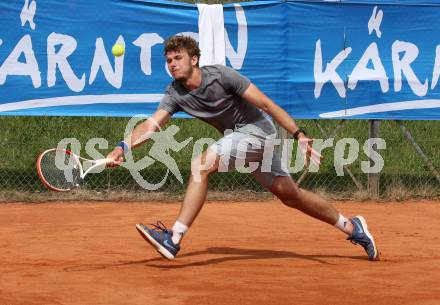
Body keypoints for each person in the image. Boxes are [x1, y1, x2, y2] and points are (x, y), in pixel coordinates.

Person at [107, 35, 379, 261]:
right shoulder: (175, 93)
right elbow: (151, 125)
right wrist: (122, 147)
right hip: (240, 139)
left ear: (194, 59)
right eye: (168, 60)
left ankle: (174, 237)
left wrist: (299, 134)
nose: (172, 64)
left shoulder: (222, 76)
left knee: (201, 165)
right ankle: (353, 227)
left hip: (259, 131)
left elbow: (267, 105)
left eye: (177, 58)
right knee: (290, 195)